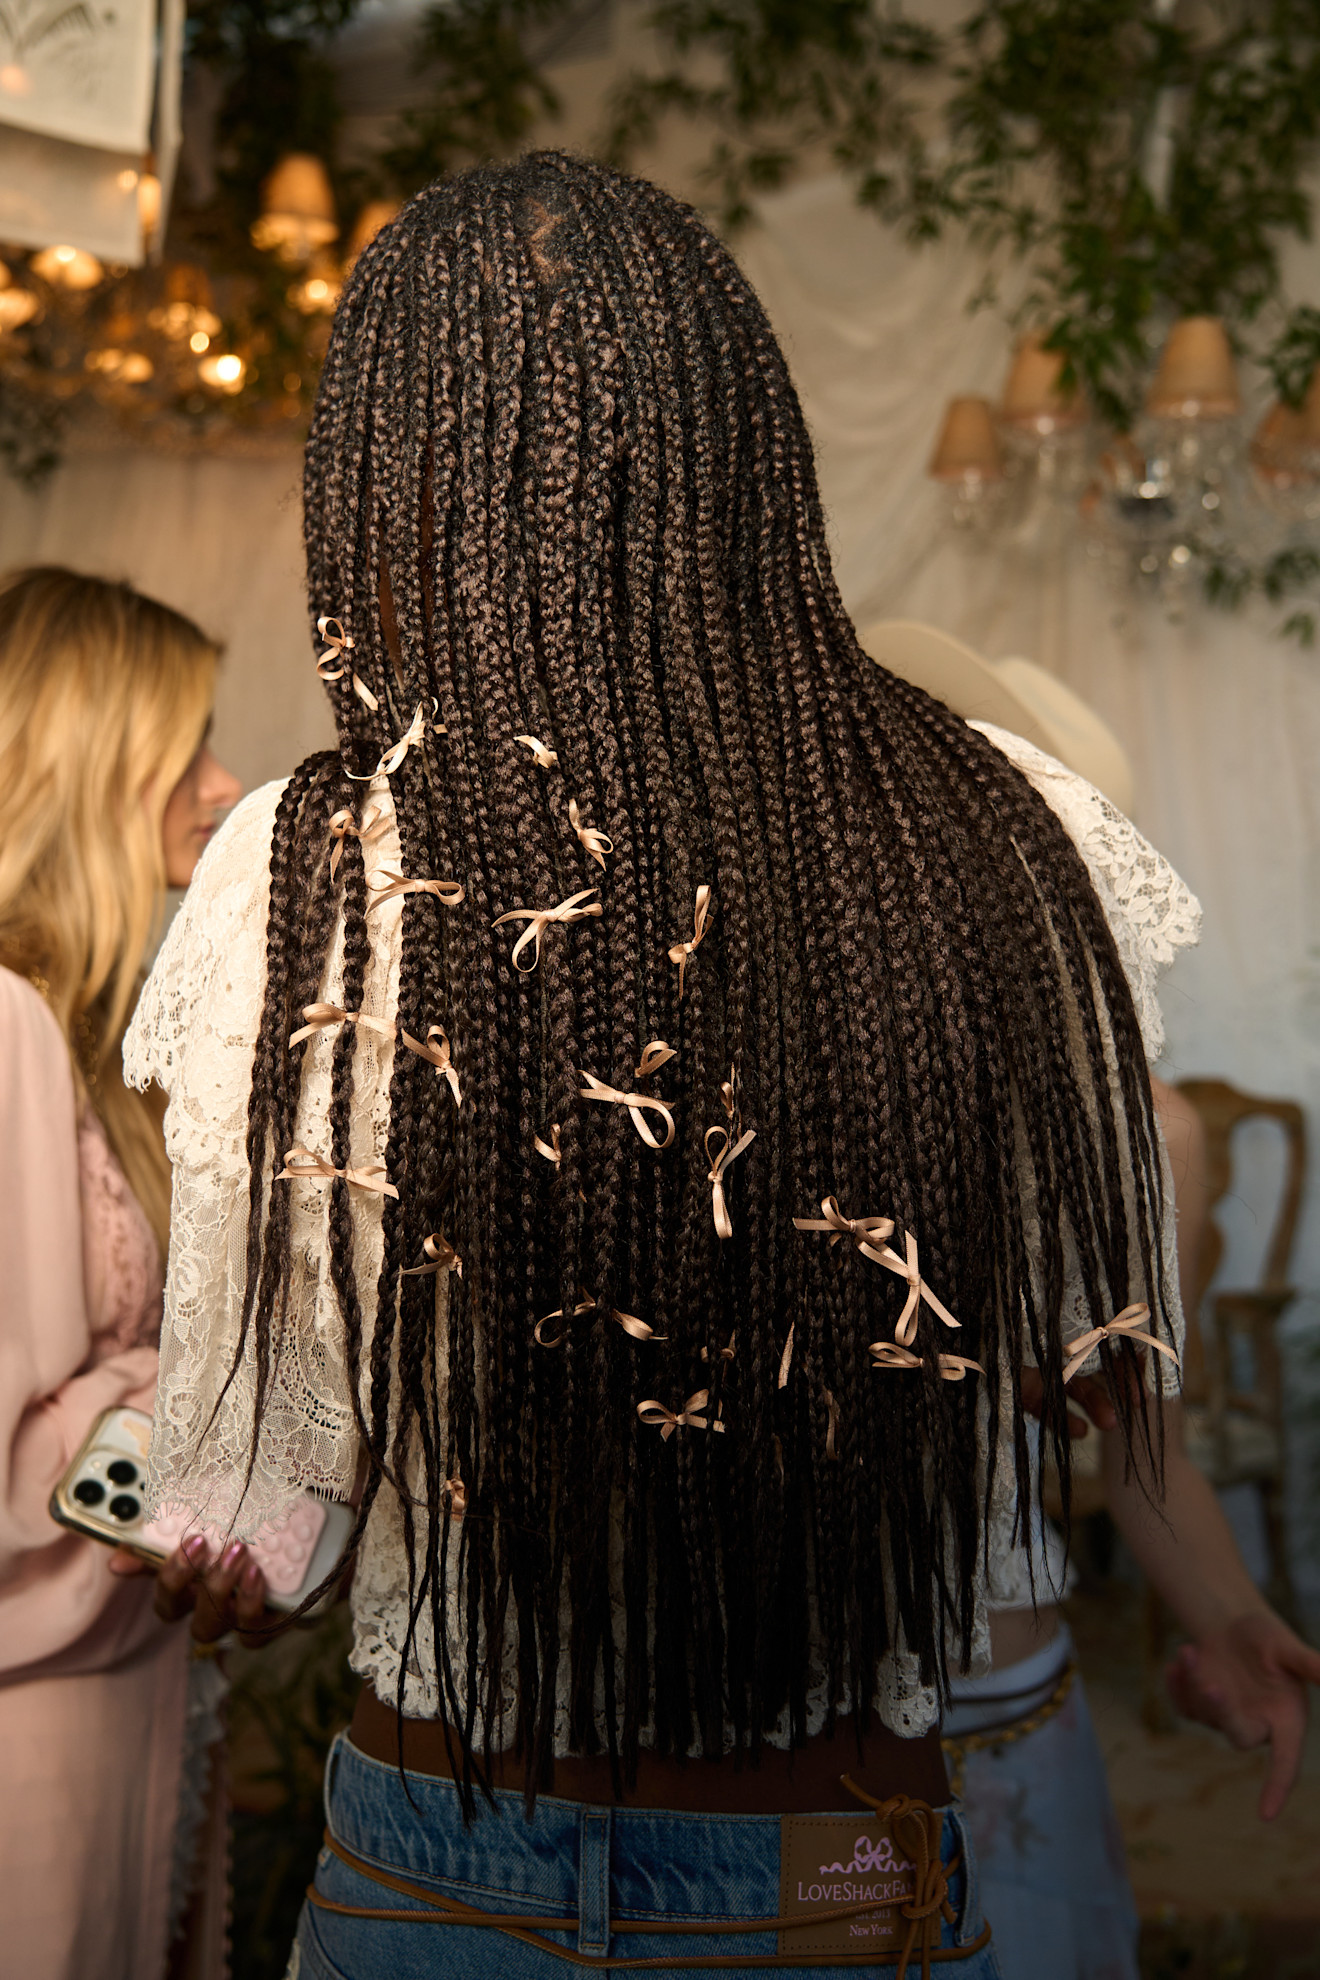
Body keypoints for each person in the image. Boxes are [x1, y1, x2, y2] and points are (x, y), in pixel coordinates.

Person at [127, 155, 1190, 1980]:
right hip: (846, 1869)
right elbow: (1085, 1349)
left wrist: (226, 1549)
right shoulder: (1025, 839)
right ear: (743, 449)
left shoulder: (319, 879)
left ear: (401, 484)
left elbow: (264, 1462)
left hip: (450, 1859)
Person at [864, 622, 1320, 1979]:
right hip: (782, 1759)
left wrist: (1227, 1617)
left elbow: (1146, 1452)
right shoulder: (733, 1095)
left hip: (1005, 1729)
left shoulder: (1144, 1139)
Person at [0, 566, 249, 1980]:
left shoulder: (85, 1037)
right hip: (35, 1737)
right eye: (185, 748)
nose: (222, 786)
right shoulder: (5, 1032)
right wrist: (222, 1398)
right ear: (85, 765)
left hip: (128, 1704)